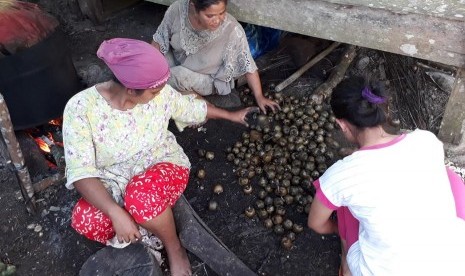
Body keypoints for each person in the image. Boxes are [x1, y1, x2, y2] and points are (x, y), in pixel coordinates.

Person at [63, 38, 256, 276]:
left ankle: (173, 247)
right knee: (85, 219)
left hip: (161, 163)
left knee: (141, 197)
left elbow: (191, 108)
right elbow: (81, 171)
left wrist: (232, 116)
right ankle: (145, 232)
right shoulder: (81, 108)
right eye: (155, 90)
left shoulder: (160, 95)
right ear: (131, 90)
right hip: (112, 179)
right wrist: (114, 212)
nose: (162, 93)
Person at [307, 76, 465, 276]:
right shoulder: (426, 141)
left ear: (342, 125)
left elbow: (316, 224)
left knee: (345, 204)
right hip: (453, 264)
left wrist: (339, 230)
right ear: (383, 110)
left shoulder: (342, 175)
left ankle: (347, 268)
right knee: (449, 177)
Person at [151, 0, 279, 114]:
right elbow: (159, 39)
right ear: (193, 6)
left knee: (172, 76)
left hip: (208, 78)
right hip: (180, 60)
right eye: (210, 16)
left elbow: (248, 66)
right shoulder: (178, 9)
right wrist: (148, 68)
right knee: (155, 59)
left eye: (222, 13)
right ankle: (186, 95)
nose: (217, 20)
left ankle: (203, 105)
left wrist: (259, 97)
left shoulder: (232, 30)